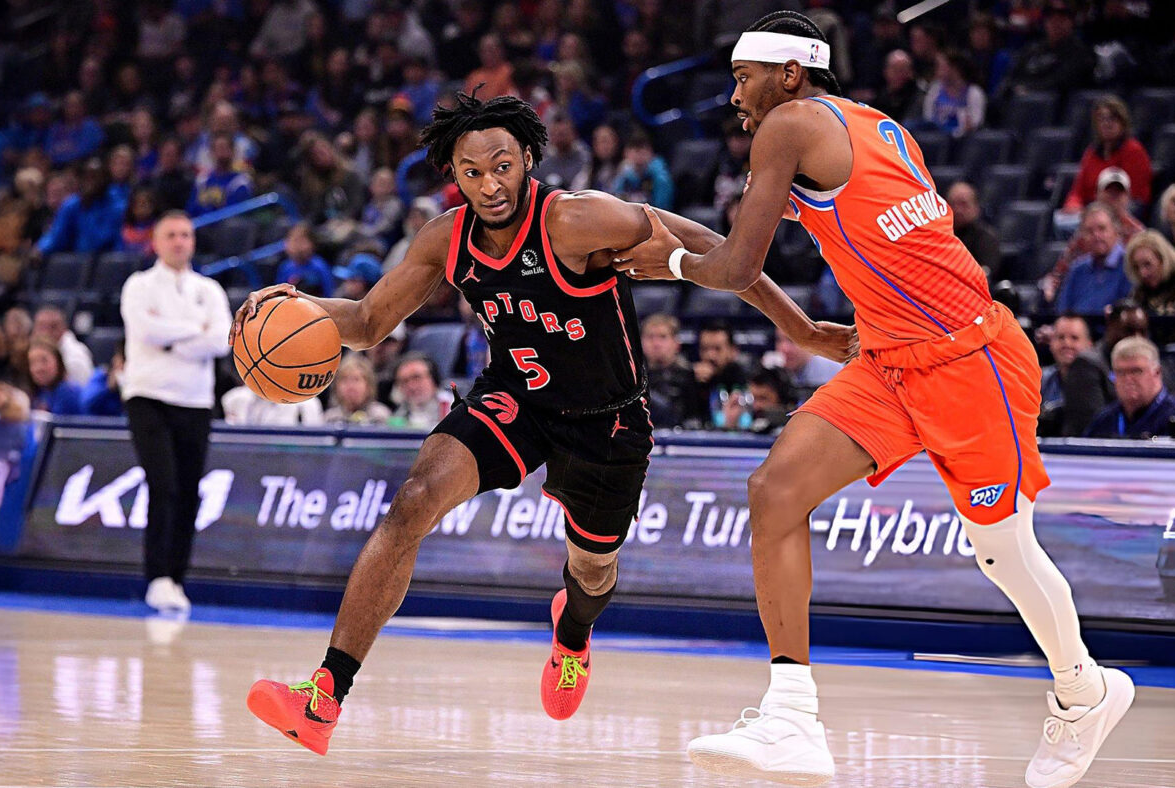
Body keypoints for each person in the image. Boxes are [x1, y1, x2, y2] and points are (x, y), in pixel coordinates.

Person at [231, 91, 851, 756]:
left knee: (592, 571)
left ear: (528, 157)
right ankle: (324, 697)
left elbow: (707, 244)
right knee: (413, 500)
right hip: (515, 398)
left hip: (606, 418)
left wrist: (804, 330)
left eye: (502, 166)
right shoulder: (445, 238)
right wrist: (298, 307)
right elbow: (367, 322)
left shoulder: (578, 220)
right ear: (454, 175)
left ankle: (572, 634)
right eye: (472, 172)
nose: (490, 185)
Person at [614, 13, 1132, 787]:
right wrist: (804, 330)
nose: (735, 96)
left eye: (744, 77)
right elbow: (750, 250)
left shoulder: (789, 125)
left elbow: (734, 265)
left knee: (1002, 551)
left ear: (790, 74)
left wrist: (676, 262)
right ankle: (792, 717)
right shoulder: (873, 125)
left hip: (970, 359)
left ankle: (1084, 692)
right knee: (776, 490)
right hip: (887, 360)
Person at [120, 211, 232, 614]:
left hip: (195, 401)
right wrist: (194, 330)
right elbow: (146, 331)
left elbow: (221, 340)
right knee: (162, 484)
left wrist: (173, 337)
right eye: (171, 235)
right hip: (148, 396)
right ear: (156, 242)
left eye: (185, 234)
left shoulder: (210, 290)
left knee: (188, 491)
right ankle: (157, 576)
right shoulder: (139, 286)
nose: (179, 241)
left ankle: (176, 578)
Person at [1083, 337, 1175, 439]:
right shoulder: (1104, 421)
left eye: (1136, 371)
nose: (1128, 379)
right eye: (1120, 372)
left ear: (1157, 372)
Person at [1060, 96, 1153, 215]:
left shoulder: (1134, 151)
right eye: (1101, 119)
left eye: (1112, 118)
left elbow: (1137, 196)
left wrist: (1102, 211)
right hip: (1090, 210)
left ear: (1123, 122)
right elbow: (1077, 191)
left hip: (1121, 211)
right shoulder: (1091, 152)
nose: (1106, 123)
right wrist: (1073, 205)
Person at [1055, 203, 1132, 313]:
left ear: (1116, 230)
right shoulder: (1077, 270)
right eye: (1089, 231)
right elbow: (1063, 312)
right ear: (1082, 237)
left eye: (1102, 229)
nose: (1096, 235)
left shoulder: (1130, 266)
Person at [1037, 313, 1098, 437]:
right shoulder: (1039, 380)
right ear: (1051, 343)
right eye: (1060, 338)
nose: (1067, 344)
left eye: (1074, 338)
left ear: (1089, 344)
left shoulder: (1102, 382)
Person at [640, 313, 699, 429]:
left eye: (662, 337)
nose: (656, 344)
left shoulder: (689, 376)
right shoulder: (634, 378)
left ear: (676, 343)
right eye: (650, 337)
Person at [694, 320, 752, 428]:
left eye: (717, 349)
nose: (710, 355)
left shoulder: (745, 380)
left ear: (733, 351)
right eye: (705, 349)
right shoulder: (690, 379)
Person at [921, 49, 985, 139]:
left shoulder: (974, 93)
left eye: (940, 66)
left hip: (961, 141)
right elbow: (928, 118)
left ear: (955, 69)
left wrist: (968, 126)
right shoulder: (935, 90)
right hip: (936, 139)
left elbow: (976, 123)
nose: (937, 71)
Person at [387, 352, 454, 431]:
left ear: (434, 379)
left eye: (417, 377)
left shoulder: (455, 408)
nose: (411, 386)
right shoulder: (399, 413)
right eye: (404, 381)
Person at [947, 181, 1001, 277]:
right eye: (953, 204)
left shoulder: (986, 238)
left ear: (976, 207)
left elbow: (986, 272)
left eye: (963, 204)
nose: (957, 210)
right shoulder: (942, 235)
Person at [611, 127, 673, 209]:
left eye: (642, 150)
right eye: (635, 151)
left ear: (650, 152)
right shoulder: (622, 174)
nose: (638, 156)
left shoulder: (660, 178)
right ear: (626, 153)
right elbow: (617, 200)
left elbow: (662, 208)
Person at [323, 354, 393, 425]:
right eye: (344, 380)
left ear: (369, 385)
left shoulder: (380, 416)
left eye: (356, 379)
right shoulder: (330, 418)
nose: (350, 386)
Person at [32, 306, 93, 385]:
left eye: (53, 327)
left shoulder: (75, 358)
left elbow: (82, 388)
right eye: (40, 327)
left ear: (63, 328)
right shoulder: (35, 349)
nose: (45, 333)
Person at [276, 222, 336, 297]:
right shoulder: (285, 268)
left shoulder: (319, 267)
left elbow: (329, 293)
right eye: (294, 241)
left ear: (312, 244)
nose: (297, 247)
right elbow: (279, 295)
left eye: (301, 241)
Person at [25, 339, 84, 415]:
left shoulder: (71, 393)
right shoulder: (35, 395)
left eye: (44, 361)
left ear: (58, 362)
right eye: (33, 362)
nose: (38, 368)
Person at [81, 343, 126, 417]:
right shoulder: (101, 376)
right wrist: (108, 388)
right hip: (95, 422)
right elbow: (86, 404)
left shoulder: (137, 386)